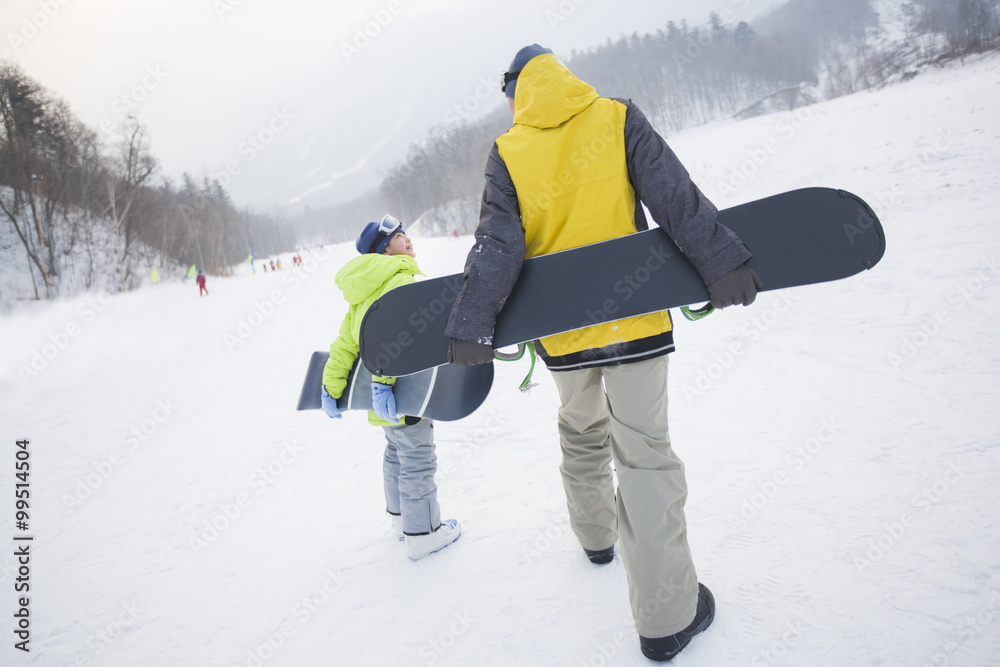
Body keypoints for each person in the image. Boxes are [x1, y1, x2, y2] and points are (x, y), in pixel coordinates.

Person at [444, 45, 762, 661]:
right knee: (642, 457)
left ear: (517, 91)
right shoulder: (616, 117)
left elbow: (497, 243)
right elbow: (673, 195)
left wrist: (472, 322)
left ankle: (595, 538)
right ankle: (668, 616)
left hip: (564, 336)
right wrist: (720, 258)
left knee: (582, 431)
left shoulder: (508, 151)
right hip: (636, 321)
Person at [321, 215, 462, 561]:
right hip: (407, 391)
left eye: (406, 233)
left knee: (396, 454)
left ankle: (401, 521)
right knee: (417, 457)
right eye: (399, 236)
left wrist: (331, 387)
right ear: (384, 250)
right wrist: (385, 383)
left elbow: (345, 346)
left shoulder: (364, 291)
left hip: (381, 398)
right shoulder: (401, 278)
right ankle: (423, 533)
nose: (408, 239)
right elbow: (395, 335)